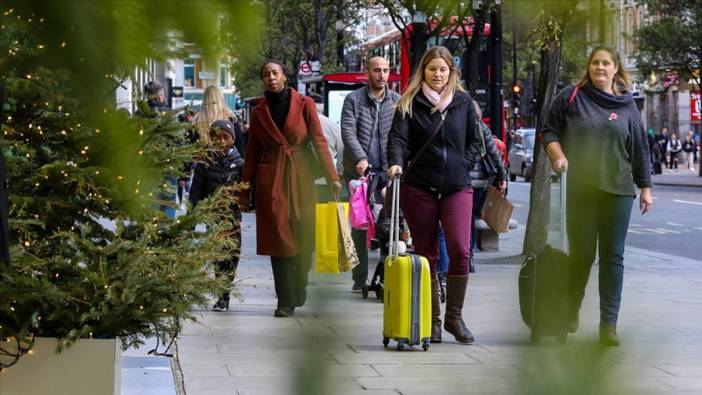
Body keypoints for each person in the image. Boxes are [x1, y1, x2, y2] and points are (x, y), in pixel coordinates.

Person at [543, 46, 653, 346]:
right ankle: (570, 310)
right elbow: (549, 130)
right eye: (595, 62)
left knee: (612, 257)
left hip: (617, 191)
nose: (600, 67)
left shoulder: (628, 105)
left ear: (615, 68)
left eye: (606, 63)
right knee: (581, 256)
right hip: (580, 190)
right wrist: (558, 157)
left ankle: (609, 325)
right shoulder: (572, 97)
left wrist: (645, 187)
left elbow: (639, 148)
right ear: (588, 66)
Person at [387, 46, 481, 345]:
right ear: (423, 72)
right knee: (427, 254)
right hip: (419, 187)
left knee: (460, 250)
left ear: (451, 72)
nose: (438, 75)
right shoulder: (409, 103)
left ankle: (454, 316)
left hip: (456, 186)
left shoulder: (464, 103)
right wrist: (396, 163)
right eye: (432, 69)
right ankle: (433, 320)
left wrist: (463, 164)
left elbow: (475, 142)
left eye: (443, 69)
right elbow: (398, 140)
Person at [239, 61, 341, 317]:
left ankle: (300, 283)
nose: (271, 77)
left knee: (304, 233)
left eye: (275, 73)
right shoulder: (259, 111)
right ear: (263, 80)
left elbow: (318, 140)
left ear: (284, 76)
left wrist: (332, 176)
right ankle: (284, 301)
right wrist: (243, 190)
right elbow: (251, 153)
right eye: (266, 74)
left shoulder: (304, 104)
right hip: (271, 177)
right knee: (278, 239)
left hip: (301, 176)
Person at [340, 56, 400, 292]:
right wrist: (360, 158)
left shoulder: (396, 101)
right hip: (359, 172)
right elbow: (348, 131)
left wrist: (396, 163)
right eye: (377, 70)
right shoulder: (353, 99)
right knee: (360, 224)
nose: (382, 75)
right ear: (368, 73)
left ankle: (386, 272)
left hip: (387, 172)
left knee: (390, 221)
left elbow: (399, 135)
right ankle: (359, 277)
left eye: (386, 70)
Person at [189, 120, 245, 311]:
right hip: (214, 217)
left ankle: (225, 289)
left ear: (233, 140)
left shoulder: (239, 163)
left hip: (233, 217)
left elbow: (247, 190)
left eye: (225, 137)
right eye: (216, 137)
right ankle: (222, 295)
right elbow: (196, 192)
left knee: (232, 255)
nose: (221, 141)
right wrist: (191, 219)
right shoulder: (205, 164)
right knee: (219, 256)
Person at [469, 101, 507, 260]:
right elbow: (494, 154)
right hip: (481, 181)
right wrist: (502, 176)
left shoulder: (462, 127)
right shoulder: (483, 128)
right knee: (471, 214)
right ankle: (469, 252)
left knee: (466, 217)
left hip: (464, 179)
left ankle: (467, 251)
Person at [193, 86, 247, 156]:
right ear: (221, 98)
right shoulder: (231, 118)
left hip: (204, 161)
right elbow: (239, 144)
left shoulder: (197, 120)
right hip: (227, 162)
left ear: (205, 99)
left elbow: (192, 147)